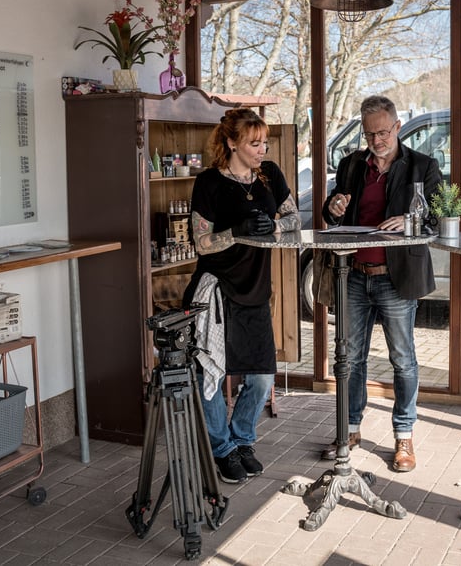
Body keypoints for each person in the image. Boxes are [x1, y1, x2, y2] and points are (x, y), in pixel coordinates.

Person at [320, 95, 443, 472]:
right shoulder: (351, 165)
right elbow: (333, 212)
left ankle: (403, 436)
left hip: (395, 279)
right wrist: (333, 208)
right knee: (350, 358)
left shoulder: (422, 166)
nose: (377, 140)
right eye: (370, 133)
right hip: (354, 277)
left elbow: (437, 219)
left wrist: (409, 221)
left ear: (398, 127)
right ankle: (351, 429)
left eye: (383, 132)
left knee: (402, 360)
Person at [184, 108, 301, 484]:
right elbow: (201, 244)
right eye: (254, 143)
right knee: (212, 377)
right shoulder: (209, 183)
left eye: (265, 142)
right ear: (231, 142)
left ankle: (242, 439)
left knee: (263, 376)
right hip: (216, 292)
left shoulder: (270, 176)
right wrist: (236, 231)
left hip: (255, 290)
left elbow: (295, 219)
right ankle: (222, 448)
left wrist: (275, 224)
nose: (262, 149)